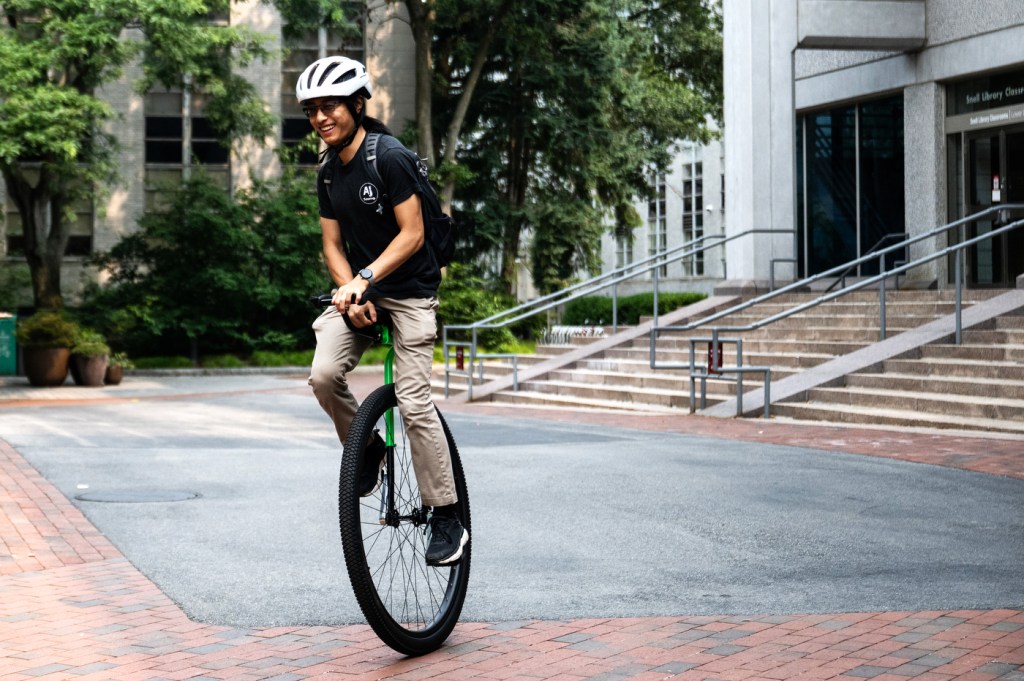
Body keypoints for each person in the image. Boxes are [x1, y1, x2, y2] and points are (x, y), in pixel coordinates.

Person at [300, 56, 468, 567]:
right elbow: (332, 245)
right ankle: (368, 448)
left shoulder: (388, 157)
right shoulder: (328, 171)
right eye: (312, 110)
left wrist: (366, 278)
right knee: (324, 376)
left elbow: (413, 234)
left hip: (411, 289)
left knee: (415, 404)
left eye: (330, 106)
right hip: (363, 292)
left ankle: (446, 516)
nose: (321, 117)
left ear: (356, 104)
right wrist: (350, 295)